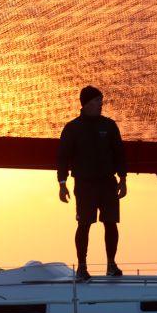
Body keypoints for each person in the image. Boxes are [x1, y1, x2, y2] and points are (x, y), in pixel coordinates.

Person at [57, 86, 128, 280]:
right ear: (87, 103)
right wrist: (62, 183)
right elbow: (63, 157)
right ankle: (82, 267)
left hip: (108, 182)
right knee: (84, 224)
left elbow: (119, 153)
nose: (101, 104)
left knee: (111, 223)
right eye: (97, 101)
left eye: (101, 100)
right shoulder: (72, 128)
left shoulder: (109, 125)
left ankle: (111, 264)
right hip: (84, 184)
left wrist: (123, 179)